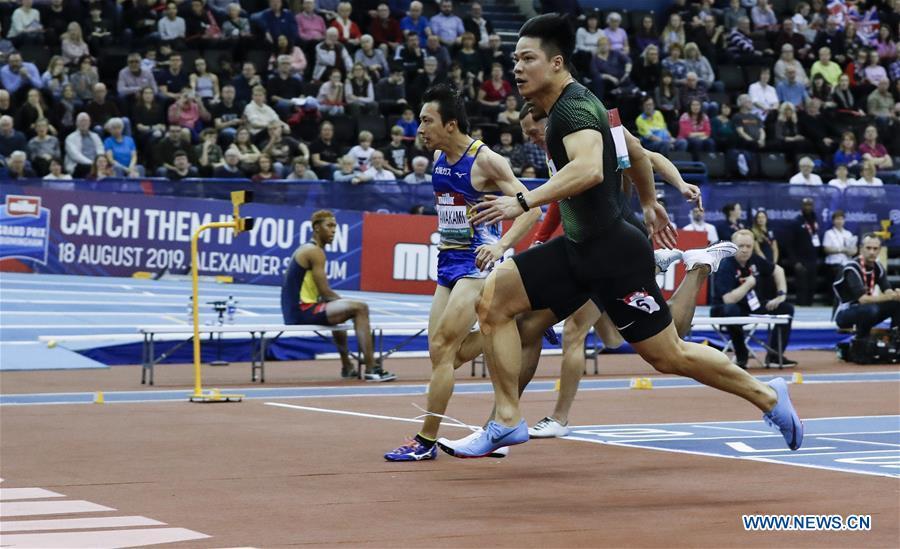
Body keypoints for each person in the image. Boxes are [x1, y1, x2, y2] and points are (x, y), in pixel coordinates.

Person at [440, 14, 803, 458]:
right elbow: (636, 151)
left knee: (668, 354)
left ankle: (768, 396)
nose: (516, 67)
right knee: (496, 302)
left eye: (527, 58)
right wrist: (648, 202)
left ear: (556, 63)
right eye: (514, 58)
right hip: (580, 248)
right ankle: (506, 420)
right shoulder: (571, 107)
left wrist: (523, 200)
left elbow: (589, 170)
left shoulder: (573, 109)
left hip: (613, 255)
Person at [383, 84, 541, 461]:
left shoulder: (487, 161)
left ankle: (425, 441)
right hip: (448, 264)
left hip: (477, 266)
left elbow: (532, 209)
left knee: (442, 346)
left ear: (450, 124)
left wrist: (500, 246)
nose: (420, 128)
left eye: (427, 121)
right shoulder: (439, 155)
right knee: (443, 356)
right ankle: (508, 329)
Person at [281, 210, 396, 382]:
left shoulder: (310, 249)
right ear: (317, 228)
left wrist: (341, 304)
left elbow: (322, 295)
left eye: (335, 226)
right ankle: (372, 368)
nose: (334, 230)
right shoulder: (314, 252)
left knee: (341, 313)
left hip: (298, 309)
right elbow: (325, 292)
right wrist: (345, 302)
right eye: (329, 226)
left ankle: (347, 367)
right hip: (301, 311)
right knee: (360, 308)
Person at [712, 230, 796, 368]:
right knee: (731, 309)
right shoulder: (726, 266)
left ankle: (774, 356)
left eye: (748, 246)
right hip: (725, 308)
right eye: (741, 246)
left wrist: (781, 295)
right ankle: (741, 356)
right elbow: (728, 299)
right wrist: (748, 284)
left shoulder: (754, 259)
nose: (745, 250)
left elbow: (778, 270)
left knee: (786, 309)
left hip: (751, 305)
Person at [833, 233, 900, 338]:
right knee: (871, 309)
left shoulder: (878, 267)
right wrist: (890, 297)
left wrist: (896, 295)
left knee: (897, 304)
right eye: (868, 248)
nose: (872, 252)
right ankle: (862, 338)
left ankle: (895, 337)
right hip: (845, 313)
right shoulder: (851, 268)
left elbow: (887, 290)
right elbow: (863, 299)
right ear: (861, 249)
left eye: (875, 249)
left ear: (879, 250)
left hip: (867, 309)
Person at [786, 197, 822, 306]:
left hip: (813, 260)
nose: (808, 207)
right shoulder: (796, 222)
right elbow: (789, 244)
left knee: (812, 286)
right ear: (802, 207)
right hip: (800, 261)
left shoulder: (815, 221)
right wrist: (795, 262)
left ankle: (809, 307)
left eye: (810, 205)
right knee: (802, 288)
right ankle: (802, 309)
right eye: (806, 205)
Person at [823, 210, 857, 285]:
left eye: (841, 219)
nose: (839, 221)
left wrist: (852, 251)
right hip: (833, 265)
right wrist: (842, 250)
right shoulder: (829, 233)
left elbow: (854, 249)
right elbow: (826, 249)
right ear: (833, 221)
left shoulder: (848, 233)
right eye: (837, 219)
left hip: (847, 264)